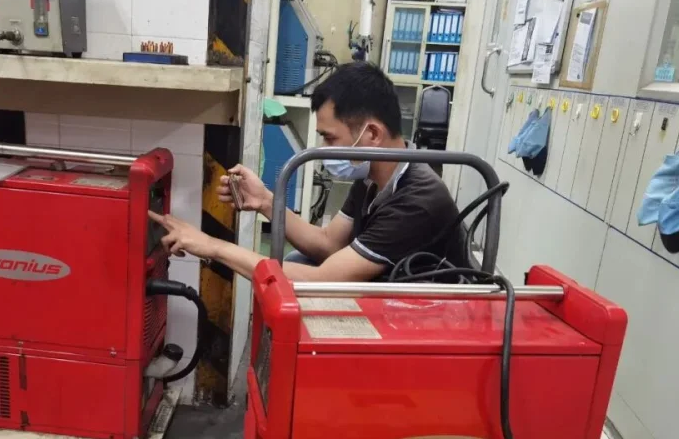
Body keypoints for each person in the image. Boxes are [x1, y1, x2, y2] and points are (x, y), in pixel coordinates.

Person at [148, 62, 469, 282]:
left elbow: (322, 279)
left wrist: (212, 245)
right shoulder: (375, 176)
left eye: (330, 137)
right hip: (398, 299)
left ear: (372, 134)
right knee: (296, 263)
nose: (324, 148)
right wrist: (265, 202)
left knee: (298, 276)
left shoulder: (416, 200)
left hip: (434, 322)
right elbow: (328, 244)